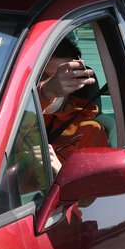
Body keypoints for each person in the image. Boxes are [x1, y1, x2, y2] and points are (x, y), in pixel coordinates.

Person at [39, 37, 109, 174]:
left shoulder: (89, 130)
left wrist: (59, 173)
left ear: (75, 82)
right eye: (43, 76)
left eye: (61, 78)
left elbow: (90, 191)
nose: (55, 85)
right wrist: (44, 93)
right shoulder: (14, 117)